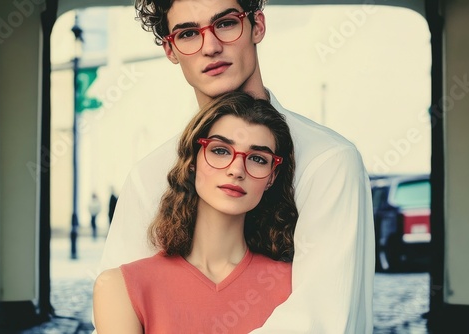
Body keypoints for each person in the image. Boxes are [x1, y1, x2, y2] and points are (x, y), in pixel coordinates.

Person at [97, 0, 375, 332]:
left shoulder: (328, 161)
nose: (211, 47)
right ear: (171, 49)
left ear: (257, 25)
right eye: (188, 33)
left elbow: (320, 319)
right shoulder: (148, 176)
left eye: (226, 24)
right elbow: (121, 305)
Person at [93, 91, 298, 333]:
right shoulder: (121, 287)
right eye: (220, 150)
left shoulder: (293, 283)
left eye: (257, 158)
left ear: (272, 177)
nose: (236, 169)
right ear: (193, 160)